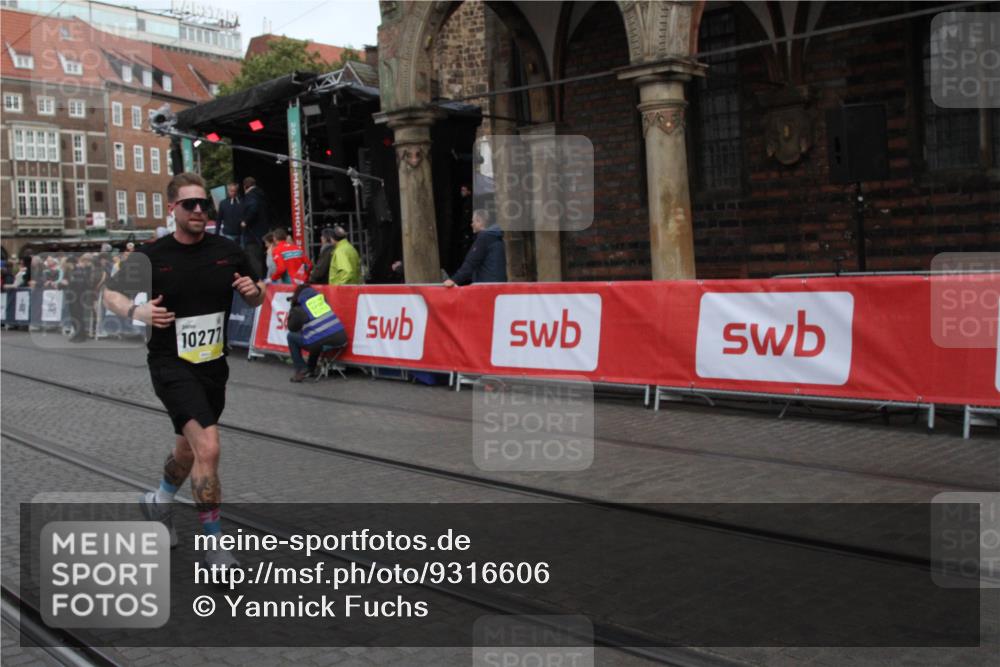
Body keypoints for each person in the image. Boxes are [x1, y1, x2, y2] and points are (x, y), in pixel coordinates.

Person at [102, 172, 265, 570]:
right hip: (169, 364)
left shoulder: (228, 251)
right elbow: (109, 293)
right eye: (189, 204)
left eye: (203, 204)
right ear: (172, 208)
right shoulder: (152, 255)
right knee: (209, 448)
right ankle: (215, 547)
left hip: (213, 366)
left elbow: (258, 292)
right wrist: (137, 310)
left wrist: (253, 295)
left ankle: (158, 501)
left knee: (187, 450)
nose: (198, 211)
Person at [285, 283, 348, 382]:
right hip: (341, 338)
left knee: (292, 337)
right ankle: (311, 369)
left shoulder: (300, 308)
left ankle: (301, 368)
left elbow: (292, 327)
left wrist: (292, 309)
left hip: (320, 341)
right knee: (314, 336)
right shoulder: (322, 301)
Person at [443, 209, 507, 287]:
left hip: (486, 287)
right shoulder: (496, 237)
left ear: (480, 222)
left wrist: (454, 280)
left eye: (473, 221)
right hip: (498, 285)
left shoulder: (484, 237)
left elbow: (471, 263)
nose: (472, 224)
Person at [240, 176, 269, 277]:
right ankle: (264, 278)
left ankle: (258, 281)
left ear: (245, 186)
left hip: (252, 234)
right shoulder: (260, 194)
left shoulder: (251, 196)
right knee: (262, 258)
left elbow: (253, 207)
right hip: (263, 232)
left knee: (254, 258)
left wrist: (245, 221)